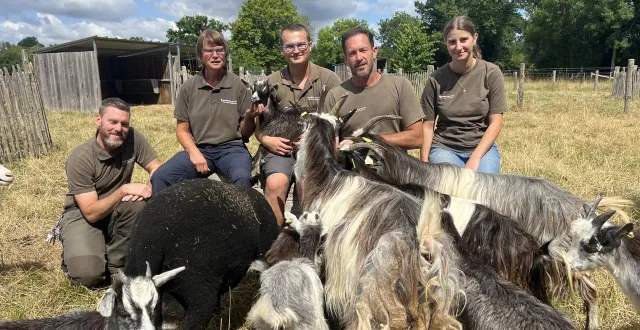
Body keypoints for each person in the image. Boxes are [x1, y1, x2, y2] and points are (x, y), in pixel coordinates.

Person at [59, 97, 161, 287]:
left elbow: (156, 168)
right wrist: (123, 190)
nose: (118, 128)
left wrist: (150, 187)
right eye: (112, 122)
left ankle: (117, 267)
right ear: (98, 120)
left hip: (117, 209)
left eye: (124, 124)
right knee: (88, 277)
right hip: (82, 214)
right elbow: (90, 212)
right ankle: (76, 253)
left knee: (138, 205)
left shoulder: (133, 138)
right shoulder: (80, 158)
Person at [151, 29, 257, 193]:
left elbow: (245, 133)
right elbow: (182, 130)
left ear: (225, 53)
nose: (215, 55)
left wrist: (250, 117)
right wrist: (194, 153)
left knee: (242, 178)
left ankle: (239, 218)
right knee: (161, 177)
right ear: (201, 55)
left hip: (232, 148)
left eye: (219, 50)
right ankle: (167, 218)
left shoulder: (238, 85)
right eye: (209, 50)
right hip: (200, 148)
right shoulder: (189, 87)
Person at [255, 23, 341, 226]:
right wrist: (266, 140)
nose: (296, 50)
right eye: (289, 46)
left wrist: (317, 139)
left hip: (315, 149)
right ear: (282, 50)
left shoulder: (330, 79)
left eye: (301, 44)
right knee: (276, 183)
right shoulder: (271, 82)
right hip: (281, 148)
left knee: (306, 183)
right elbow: (259, 125)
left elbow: (337, 122)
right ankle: (274, 240)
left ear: (310, 46)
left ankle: (307, 238)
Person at [420, 16, 506, 173]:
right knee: (451, 190)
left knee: (483, 191)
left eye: (463, 40)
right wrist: (424, 163)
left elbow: (496, 122)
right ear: (446, 43)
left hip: (481, 148)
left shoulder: (491, 73)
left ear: (474, 38)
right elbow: (427, 125)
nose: (458, 47)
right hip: (444, 148)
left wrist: (476, 158)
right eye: (452, 42)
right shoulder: (436, 79)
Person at [322, 26, 424, 150]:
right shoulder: (335, 96)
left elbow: (417, 138)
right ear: (345, 59)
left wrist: (366, 141)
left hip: (394, 167)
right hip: (351, 168)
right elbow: (327, 144)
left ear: (374, 51)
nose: (359, 58)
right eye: (352, 53)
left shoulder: (399, 85)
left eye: (363, 50)